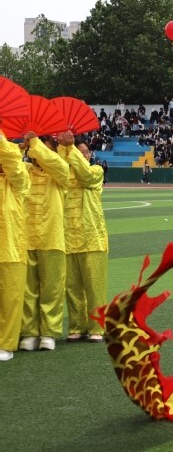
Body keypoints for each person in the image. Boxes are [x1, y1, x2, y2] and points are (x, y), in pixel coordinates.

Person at [19, 133, 69, 352]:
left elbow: (58, 165)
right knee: (27, 289)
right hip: (26, 238)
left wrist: (36, 144)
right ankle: (29, 332)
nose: (42, 154)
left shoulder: (60, 173)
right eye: (39, 149)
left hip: (52, 237)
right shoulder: (24, 171)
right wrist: (21, 148)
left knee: (52, 288)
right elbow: (9, 166)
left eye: (49, 150)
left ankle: (49, 332)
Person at [57, 132, 109, 343]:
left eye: (87, 152)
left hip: (92, 238)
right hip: (69, 237)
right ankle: (77, 326)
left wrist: (71, 149)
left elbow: (85, 175)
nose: (86, 155)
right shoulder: (63, 177)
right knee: (72, 288)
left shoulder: (96, 171)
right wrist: (65, 148)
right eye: (82, 152)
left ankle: (96, 327)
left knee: (95, 286)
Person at [0, 132, 30, 361]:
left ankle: (6, 343)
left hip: (10, 248)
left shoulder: (19, 180)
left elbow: (14, 164)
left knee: (10, 299)